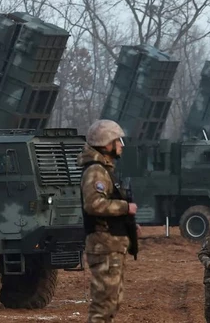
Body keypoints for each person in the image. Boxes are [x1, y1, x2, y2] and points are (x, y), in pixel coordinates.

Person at [78, 119, 140, 323]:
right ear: (106, 144)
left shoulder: (105, 170)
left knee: (111, 303)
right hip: (103, 246)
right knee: (103, 306)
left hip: (111, 245)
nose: (121, 145)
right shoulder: (96, 171)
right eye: (118, 140)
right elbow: (93, 204)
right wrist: (125, 208)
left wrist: (127, 223)